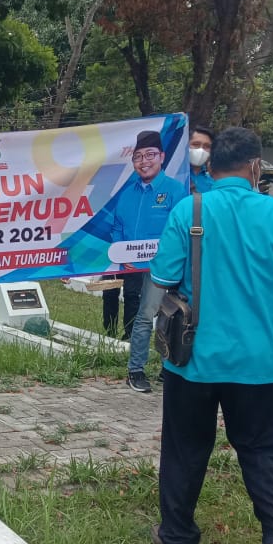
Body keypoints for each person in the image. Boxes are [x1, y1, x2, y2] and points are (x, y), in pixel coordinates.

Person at [148, 126, 273, 544]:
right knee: (265, 447)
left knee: (186, 446)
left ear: (211, 163)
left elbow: (164, 278)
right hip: (259, 362)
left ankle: (179, 538)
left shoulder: (190, 210)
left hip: (193, 360)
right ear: (254, 167)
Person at [91, 130, 188, 392]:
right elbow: (117, 227)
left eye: (150, 155)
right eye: (138, 157)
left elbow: (180, 229)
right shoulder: (126, 193)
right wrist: (125, 255)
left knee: (171, 317)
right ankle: (136, 370)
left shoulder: (175, 191)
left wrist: (168, 261)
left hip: (167, 269)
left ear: (162, 157)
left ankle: (169, 368)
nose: (144, 161)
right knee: (144, 316)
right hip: (135, 267)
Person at [123, 126, 215, 388]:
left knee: (185, 314)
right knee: (148, 313)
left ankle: (174, 363)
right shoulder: (174, 182)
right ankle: (136, 370)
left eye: (206, 146)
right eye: (195, 144)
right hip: (163, 260)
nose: (200, 151)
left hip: (197, 260)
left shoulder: (210, 183)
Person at [187, 126, 215, 194]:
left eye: (207, 146)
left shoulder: (214, 180)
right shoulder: (174, 174)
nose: (201, 150)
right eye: (196, 144)